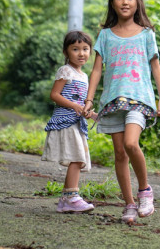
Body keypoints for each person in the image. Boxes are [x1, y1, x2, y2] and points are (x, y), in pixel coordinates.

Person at [83, 0, 160, 224]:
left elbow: (155, 66)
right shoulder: (106, 35)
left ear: (137, 2)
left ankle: (145, 191)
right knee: (119, 153)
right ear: (113, 3)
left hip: (140, 98)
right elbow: (97, 70)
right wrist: (89, 99)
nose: (125, 2)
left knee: (131, 144)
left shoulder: (146, 34)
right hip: (112, 100)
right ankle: (129, 204)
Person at [42, 30, 96, 213]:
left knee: (77, 158)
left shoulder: (84, 76)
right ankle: (72, 197)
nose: (81, 53)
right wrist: (74, 106)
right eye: (75, 49)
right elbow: (54, 95)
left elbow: (81, 104)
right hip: (65, 121)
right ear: (66, 52)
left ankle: (66, 199)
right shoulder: (65, 71)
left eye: (85, 49)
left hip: (77, 122)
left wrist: (89, 113)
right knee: (76, 158)